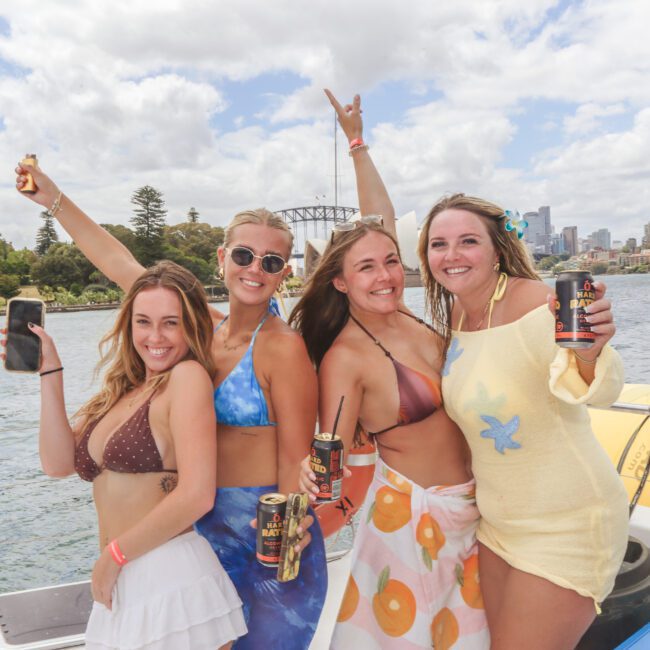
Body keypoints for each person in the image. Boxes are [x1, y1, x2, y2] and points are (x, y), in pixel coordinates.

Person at [15, 167, 327, 650]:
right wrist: (54, 200)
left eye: (271, 261)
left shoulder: (282, 348)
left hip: (261, 539)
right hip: (200, 534)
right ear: (223, 259)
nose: (254, 268)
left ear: (285, 273)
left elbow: (293, 457)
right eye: (244, 255)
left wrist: (282, 552)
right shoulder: (200, 328)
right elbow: (121, 265)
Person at [292, 91, 490, 649]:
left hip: (477, 511)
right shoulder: (346, 357)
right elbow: (329, 450)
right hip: (412, 526)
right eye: (365, 268)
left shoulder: (407, 316)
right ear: (339, 281)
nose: (384, 276)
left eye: (389, 262)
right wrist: (307, 479)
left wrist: (357, 142)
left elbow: (380, 216)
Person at [417, 194, 628, 649]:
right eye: (439, 244)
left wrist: (590, 353)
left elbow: (599, 391)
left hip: (567, 523)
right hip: (498, 526)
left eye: (468, 241)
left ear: (497, 249)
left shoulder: (538, 305)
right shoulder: (456, 314)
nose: (451, 255)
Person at [1, 261, 247, 649]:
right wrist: (51, 372)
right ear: (128, 324)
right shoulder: (122, 392)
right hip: (123, 583)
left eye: (171, 322)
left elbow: (198, 494)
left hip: (169, 577)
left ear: (192, 326)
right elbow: (57, 464)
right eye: (143, 322)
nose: (155, 337)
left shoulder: (187, 378)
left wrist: (113, 556)